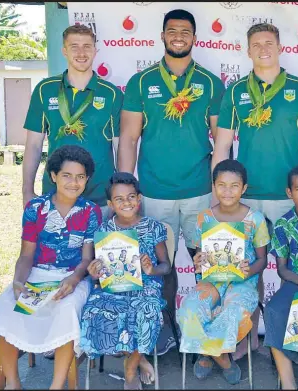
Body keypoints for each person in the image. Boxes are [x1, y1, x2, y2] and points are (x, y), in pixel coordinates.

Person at [211, 22, 298, 358]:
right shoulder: (235, 92)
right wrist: (218, 194)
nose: (263, 49)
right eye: (257, 44)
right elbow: (223, 146)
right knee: (249, 270)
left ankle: (297, 335)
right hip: (246, 196)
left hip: (290, 198)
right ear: (248, 50)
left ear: (279, 47)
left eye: (269, 43)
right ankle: (250, 335)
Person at [118, 9, 225, 356]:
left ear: (195, 38)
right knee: (162, 268)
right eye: (172, 30)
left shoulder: (210, 83)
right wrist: (123, 185)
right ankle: (166, 330)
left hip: (199, 192)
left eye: (185, 31)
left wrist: (220, 191)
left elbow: (220, 139)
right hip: (155, 192)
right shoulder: (140, 82)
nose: (178, 36)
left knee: (205, 263)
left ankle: (205, 329)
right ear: (162, 36)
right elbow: (129, 139)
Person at [0, 145, 101, 389]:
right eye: (67, 175)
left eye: (80, 177)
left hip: (73, 277)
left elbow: (87, 259)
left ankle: (56, 386)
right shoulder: (35, 209)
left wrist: (74, 280)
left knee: (66, 310)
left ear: (87, 179)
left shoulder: (90, 211)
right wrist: (18, 282)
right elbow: (26, 255)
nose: (73, 182)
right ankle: (14, 383)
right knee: (4, 308)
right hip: (37, 275)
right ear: (53, 176)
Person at [177, 159, 270, 385]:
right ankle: (224, 360)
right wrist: (198, 261)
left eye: (234, 185)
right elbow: (201, 256)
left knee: (232, 313)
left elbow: (262, 259)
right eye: (221, 185)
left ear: (244, 188)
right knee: (190, 309)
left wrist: (246, 273)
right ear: (214, 186)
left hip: (242, 283)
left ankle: (207, 355)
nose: (227, 191)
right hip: (211, 282)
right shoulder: (205, 218)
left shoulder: (255, 219)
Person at [78, 172, 171, 389]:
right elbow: (99, 272)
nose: (126, 203)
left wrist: (152, 268)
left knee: (146, 310)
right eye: (119, 199)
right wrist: (94, 272)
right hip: (113, 287)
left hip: (146, 285)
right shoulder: (103, 231)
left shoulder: (153, 227)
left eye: (131, 197)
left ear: (139, 199)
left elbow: (166, 265)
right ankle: (140, 358)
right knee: (94, 310)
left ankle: (130, 369)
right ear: (110, 204)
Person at [21, 25, 123, 219]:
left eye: (87, 46)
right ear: (64, 50)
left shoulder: (111, 93)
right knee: (54, 249)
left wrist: (119, 191)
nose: (81, 52)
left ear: (95, 50)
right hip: (55, 195)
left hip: (100, 196)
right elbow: (33, 145)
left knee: (98, 250)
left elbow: (120, 147)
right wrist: (27, 190)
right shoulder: (45, 89)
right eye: (74, 46)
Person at [263, 164, 298, 390]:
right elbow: (281, 269)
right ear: (289, 192)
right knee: (274, 310)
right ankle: (289, 383)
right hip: (296, 283)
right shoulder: (282, 225)